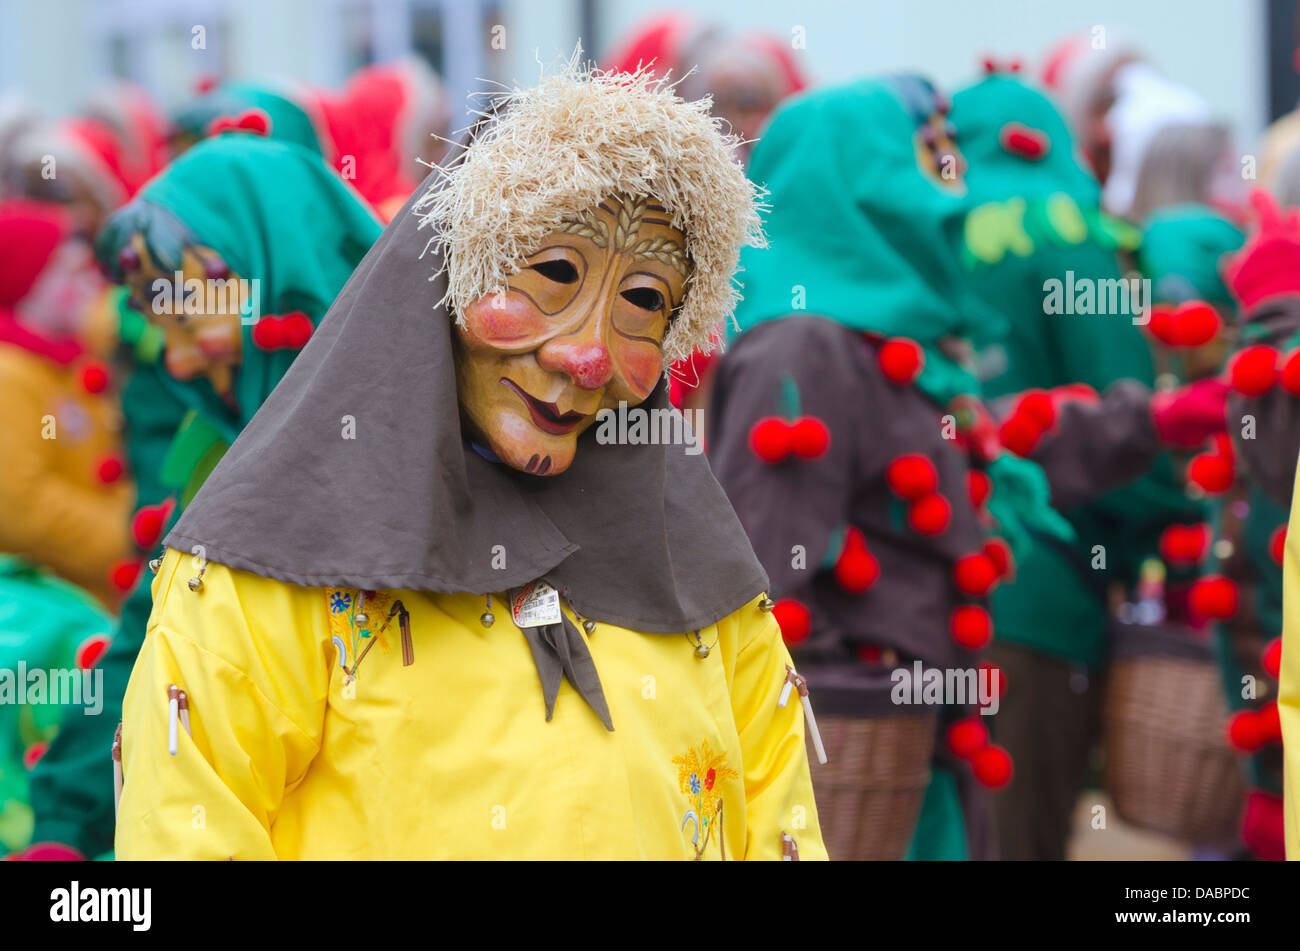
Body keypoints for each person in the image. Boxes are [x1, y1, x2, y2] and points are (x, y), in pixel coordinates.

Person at [114, 63, 825, 861]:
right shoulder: (261, 574)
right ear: (447, 278)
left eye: (644, 302)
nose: (588, 356)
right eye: (554, 273)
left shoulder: (703, 581)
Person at [17, 130, 383, 861]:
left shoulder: (412, 440)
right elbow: (147, 641)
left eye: (189, 319)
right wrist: (62, 826)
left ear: (277, 278)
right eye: (162, 329)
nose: (180, 358)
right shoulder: (220, 446)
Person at [952, 67, 1225, 859]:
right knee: (1024, 832)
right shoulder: (1071, 231)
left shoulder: (918, 231)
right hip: (1041, 597)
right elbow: (1129, 424)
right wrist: (1181, 533)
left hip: (912, 599)